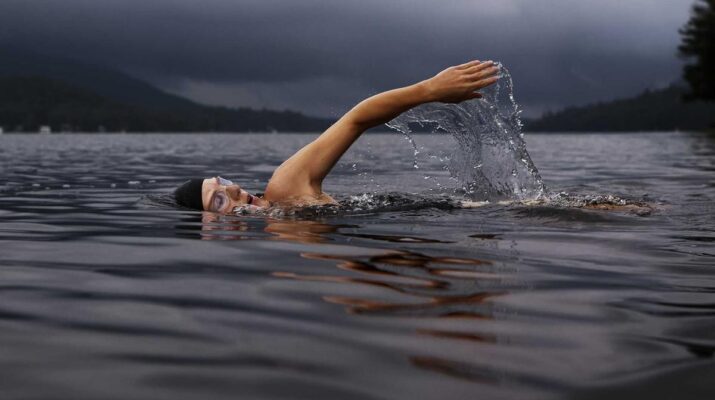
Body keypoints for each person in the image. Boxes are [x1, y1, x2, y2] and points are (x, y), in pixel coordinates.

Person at [174, 60, 500, 213]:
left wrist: (429, 90)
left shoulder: (284, 190)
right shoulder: (280, 234)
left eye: (222, 182)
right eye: (218, 200)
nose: (233, 189)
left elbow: (356, 119)